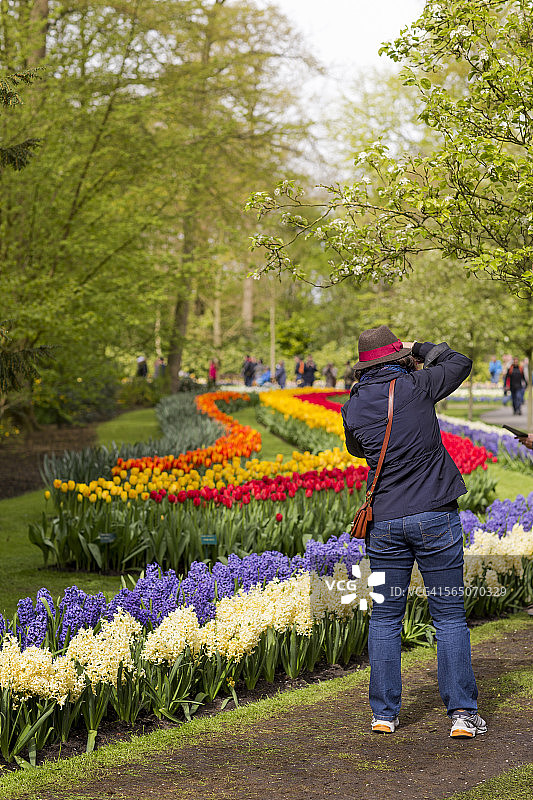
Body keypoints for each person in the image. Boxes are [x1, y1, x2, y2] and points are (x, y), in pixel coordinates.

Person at [341, 325, 486, 739]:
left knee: (385, 619)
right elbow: (459, 362)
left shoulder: (353, 405)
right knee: (449, 617)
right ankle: (461, 714)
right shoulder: (418, 386)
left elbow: (356, 450)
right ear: (397, 357)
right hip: (434, 516)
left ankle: (383, 713)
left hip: (383, 523)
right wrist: (417, 347)